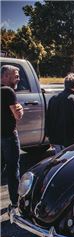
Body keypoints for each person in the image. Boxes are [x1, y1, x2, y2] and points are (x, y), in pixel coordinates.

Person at [45, 73, 74, 153]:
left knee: (59, 161)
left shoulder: (53, 98)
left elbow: (48, 119)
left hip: (56, 139)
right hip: (70, 140)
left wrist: (49, 136)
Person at [1, 65, 23, 208]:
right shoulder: (8, 92)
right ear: (6, 76)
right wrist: (20, 109)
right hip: (8, 136)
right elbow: (18, 115)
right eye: (15, 76)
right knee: (12, 169)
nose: (18, 79)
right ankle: (15, 202)